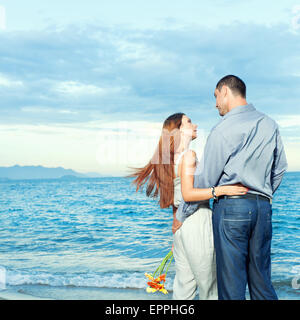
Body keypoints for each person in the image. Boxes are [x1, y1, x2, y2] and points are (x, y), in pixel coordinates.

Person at [176, 75, 288, 300]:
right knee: (261, 281)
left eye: (216, 96)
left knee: (231, 286)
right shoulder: (270, 124)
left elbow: (207, 178)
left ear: (225, 91)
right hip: (263, 208)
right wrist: (262, 194)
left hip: (231, 210)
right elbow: (280, 170)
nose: (215, 103)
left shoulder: (223, 129)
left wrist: (182, 213)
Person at [129, 112, 248, 300]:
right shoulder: (188, 156)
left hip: (181, 229)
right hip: (198, 222)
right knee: (210, 288)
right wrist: (224, 190)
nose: (195, 125)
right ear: (178, 130)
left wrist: (175, 231)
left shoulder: (167, 161)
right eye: (189, 122)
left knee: (184, 288)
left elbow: (176, 200)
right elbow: (188, 194)